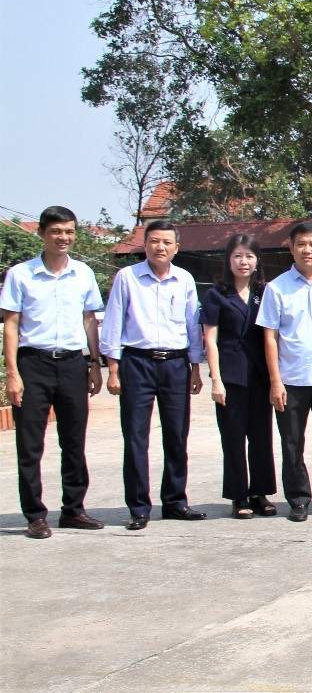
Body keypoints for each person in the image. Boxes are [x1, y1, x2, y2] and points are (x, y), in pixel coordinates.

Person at [2, 206, 105, 538]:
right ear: (42, 233)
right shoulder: (21, 274)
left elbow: (90, 320)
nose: (64, 238)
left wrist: (94, 363)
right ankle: (34, 514)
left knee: (74, 441)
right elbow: (11, 326)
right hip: (34, 364)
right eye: (57, 231)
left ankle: (74, 509)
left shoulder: (83, 274)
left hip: (74, 364)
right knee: (30, 444)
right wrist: (13, 373)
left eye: (70, 232)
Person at [100, 219, 206, 530]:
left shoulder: (184, 279)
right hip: (137, 363)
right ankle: (139, 507)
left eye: (166, 242)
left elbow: (191, 327)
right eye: (154, 241)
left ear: (176, 247)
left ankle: (175, 502)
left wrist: (195, 367)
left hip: (175, 364)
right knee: (135, 436)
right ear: (145, 244)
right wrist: (114, 369)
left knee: (176, 435)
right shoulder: (127, 277)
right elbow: (113, 322)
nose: (160, 247)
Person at [258, 221, 312, 522]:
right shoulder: (276, 288)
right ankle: (298, 498)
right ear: (291, 248)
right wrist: (275, 382)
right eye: (301, 244)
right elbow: (270, 336)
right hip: (291, 379)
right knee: (292, 443)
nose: (307, 250)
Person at [202, 234, 276, 519]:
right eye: (237, 255)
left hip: (259, 373)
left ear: (257, 261)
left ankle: (260, 493)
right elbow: (210, 339)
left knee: (261, 437)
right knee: (233, 438)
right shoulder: (216, 294)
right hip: (230, 374)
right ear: (228, 260)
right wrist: (216, 379)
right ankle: (238, 496)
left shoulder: (264, 292)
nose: (243, 262)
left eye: (248, 256)